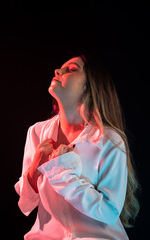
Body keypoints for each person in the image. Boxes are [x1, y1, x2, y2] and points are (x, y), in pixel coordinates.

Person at [15, 53, 140, 240]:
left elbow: (109, 212)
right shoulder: (36, 132)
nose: (58, 71)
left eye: (72, 69)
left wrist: (63, 173)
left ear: (90, 88)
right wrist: (35, 169)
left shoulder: (110, 141)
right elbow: (25, 203)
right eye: (61, 67)